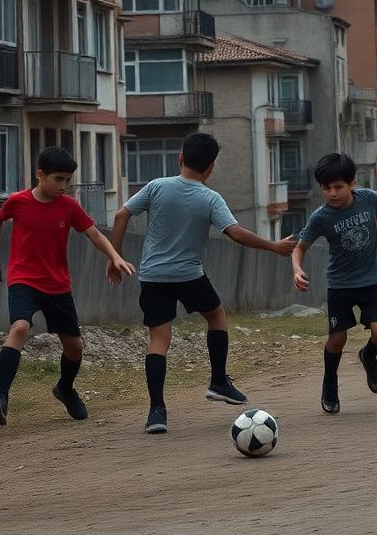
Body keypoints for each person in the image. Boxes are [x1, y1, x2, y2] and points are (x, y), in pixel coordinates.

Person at [109, 132, 296, 434]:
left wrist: (114, 257)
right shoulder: (210, 198)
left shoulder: (157, 186)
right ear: (210, 168)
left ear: (180, 158)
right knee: (217, 316)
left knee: (159, 339)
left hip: (153, 275)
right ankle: (219, 381)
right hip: (188, 275)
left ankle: (157, 411)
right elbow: (235, 233)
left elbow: (121, 214)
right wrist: (274, 246)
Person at [0, 146, 136, 427]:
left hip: (57, 285)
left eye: (67, 180)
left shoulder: (68, 206)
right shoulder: (18, 201)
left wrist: (114, 256)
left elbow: (94, 233)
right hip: (23, 279)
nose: (63, 186)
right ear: (40, 175)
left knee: (75, 347)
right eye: (58, 179)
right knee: (20, 328)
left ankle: (65, 388)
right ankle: (0, 396)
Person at [292, 152, 377, 415]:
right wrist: (297, 269)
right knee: (337, 339)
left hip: (371, 282)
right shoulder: (321, 217)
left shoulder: (368, 199)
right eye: (326, 188)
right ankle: (330, 385)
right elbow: (299, 247)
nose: (332, 193)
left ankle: (368, 356)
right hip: (340, 285)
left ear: (352, 184)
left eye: (338, 187)